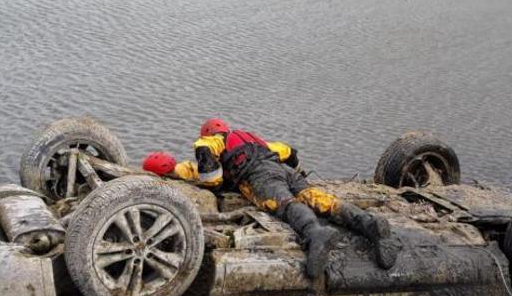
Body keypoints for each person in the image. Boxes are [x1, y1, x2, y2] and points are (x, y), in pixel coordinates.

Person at [143, 118, 400, 279]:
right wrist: (294, 171)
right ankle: (369, 223)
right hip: (282, 168)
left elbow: (207, 173)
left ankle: (314, 233)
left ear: (210, 132)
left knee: (283, 204)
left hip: (259, 176)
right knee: (320, 199)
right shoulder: (253, 139)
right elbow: (290, 152)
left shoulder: (211, 142)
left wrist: (212, 182)